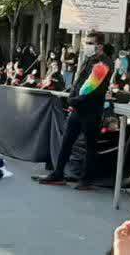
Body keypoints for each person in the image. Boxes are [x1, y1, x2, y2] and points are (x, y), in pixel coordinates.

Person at [38, 32, 112, 190]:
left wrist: (74, 100)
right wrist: (72, 96)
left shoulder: (104, 63)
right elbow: (79, 82)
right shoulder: (88, 59)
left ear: (99, 45)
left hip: (91, 110)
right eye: (86, 42)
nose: (87, 45)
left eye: (90, 43)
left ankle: (86, 180)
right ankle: (58, 174)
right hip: (78, 109)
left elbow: (94, 89)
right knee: (67, 142)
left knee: (90, 146)